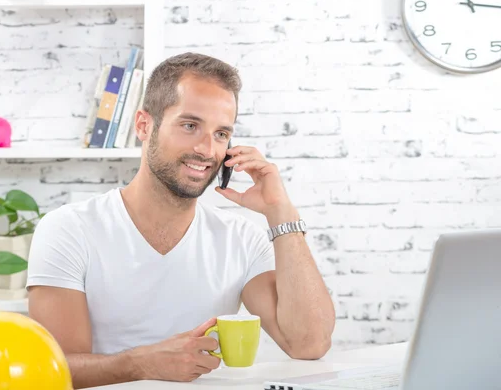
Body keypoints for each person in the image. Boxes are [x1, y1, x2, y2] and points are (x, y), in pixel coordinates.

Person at [26, 52, 335, 389]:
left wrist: (280, 211)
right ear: (144, 125)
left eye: (221, 134)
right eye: (190, 126)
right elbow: (55, 368)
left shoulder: (241, 239)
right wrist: (142, 364)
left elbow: (308, 344)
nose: (207, 150)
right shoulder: (69, 229)